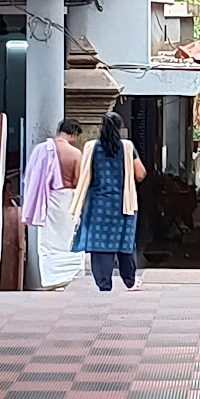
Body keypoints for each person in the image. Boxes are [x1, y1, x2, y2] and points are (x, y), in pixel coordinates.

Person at [71, 112, 147, 291]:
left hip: (97, 205)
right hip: (123, 204)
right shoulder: (127, 147)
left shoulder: (91, 147)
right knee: (125, 243)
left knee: (100, 246)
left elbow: (84, 174)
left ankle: (104, 285)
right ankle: (130, 281)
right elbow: (140, 173)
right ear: (120, 128)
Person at [21, 119, 85, 289]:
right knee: (68, 239)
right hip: (67, 200)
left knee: (48, 241)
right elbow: (79, 182)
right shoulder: (75, 154)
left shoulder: (40, 150)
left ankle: (51, 278)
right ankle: (68, 275)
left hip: (45, 200)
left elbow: (30, 178)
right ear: (73, 134)